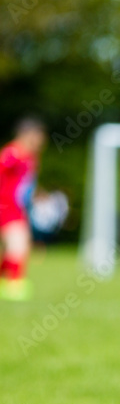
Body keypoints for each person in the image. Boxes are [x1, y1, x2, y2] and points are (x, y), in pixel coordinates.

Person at [0, 118, 47, 301]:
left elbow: (24, 185)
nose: (41, 140)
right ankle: (14, 283)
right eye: (38, 136)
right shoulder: (12, 154)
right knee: (18, 242)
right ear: (26, 134)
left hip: (16, 207)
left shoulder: (31, 157)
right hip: (4, 205)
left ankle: (12, 280)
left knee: (19, 244)